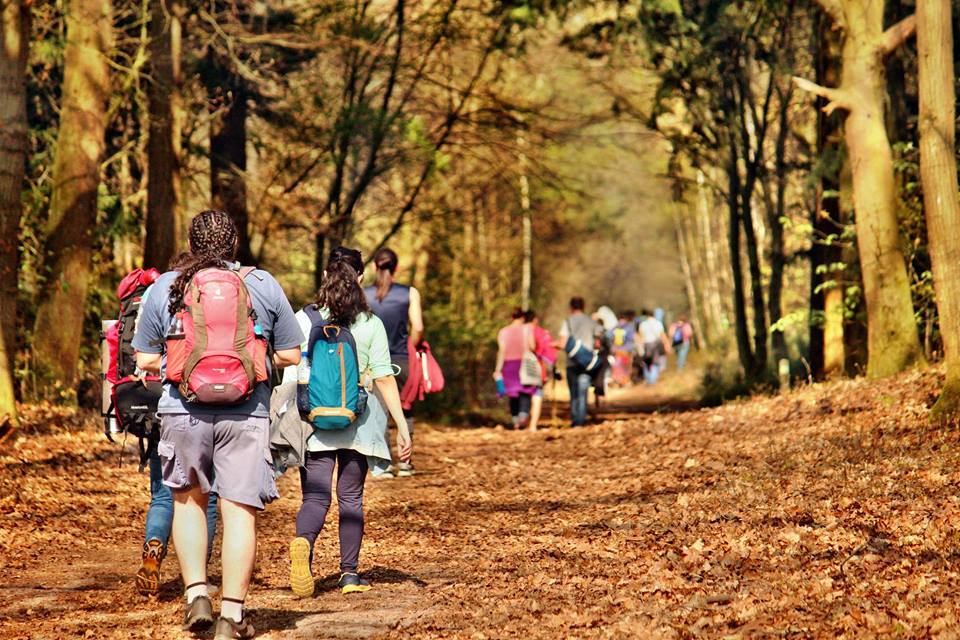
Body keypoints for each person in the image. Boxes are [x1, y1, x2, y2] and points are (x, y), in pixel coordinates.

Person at [133, 210, 304, 639]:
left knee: (188, 502)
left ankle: (197, 597)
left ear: (191, 243)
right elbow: (291, 355)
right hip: (247, 413)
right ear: (234, 243)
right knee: (239, 510)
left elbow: (146, 358)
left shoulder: (166, 286)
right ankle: (232, 614)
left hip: (182, 411)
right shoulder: (261, 284)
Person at [286, 247, 413, 597]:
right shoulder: (370, 323)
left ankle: (303, 545)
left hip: (314, 421)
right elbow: (386, 378)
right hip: (358, 420)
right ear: (359, 279)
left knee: (315, 497)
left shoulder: (305, 318)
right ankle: (350, 574)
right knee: (351, 497)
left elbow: (291, 371)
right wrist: (401, 427)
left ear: (326, 276)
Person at [136, 261, 219, 597]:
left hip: (153, 404)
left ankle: (153, 543)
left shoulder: (154, 296)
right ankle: (196, 575)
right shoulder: (205, 298)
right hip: (190, 401)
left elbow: (142, 357)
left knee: (162, 493)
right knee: (204, 496)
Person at [364, 248, 423, 478]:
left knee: (379, 410)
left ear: (373, 267)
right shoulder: (410, 293)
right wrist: (413, 345)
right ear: (396, 268)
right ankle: (406, 462)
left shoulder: (363, 294)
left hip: (374, 362)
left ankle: (385, 464)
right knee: (405, 408)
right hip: (402, 359)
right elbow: (417, 327)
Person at [494, 307, 538, 429]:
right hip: (524, 364)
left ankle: (515, 421)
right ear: (523, 317)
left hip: (508, 365)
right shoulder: (527, 329)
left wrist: (498, 369)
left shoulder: (503, 331)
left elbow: (501, 351)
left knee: (513, 393)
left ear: (512, 317)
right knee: (525, 391)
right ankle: (523, 416)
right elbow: (532, 346)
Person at [558, 297, 599, 427]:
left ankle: (575, 418)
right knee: (583, 390)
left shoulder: (568, 321)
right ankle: (581, 419)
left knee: (573, 392)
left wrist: (554, 345)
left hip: (572, 362)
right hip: (587, 362)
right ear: (584, 306)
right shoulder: (591, 322)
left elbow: (563, 343)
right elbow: (598, 341)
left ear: (571, 307)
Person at [524, 310, 557, 432]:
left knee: (524, 395)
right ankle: (533, 425)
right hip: (537, 368)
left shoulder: (517, 332)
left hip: (519, 370)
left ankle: (524, 422)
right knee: (537, 395)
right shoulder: (542, 333)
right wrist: (549, 371)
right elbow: (550, 353)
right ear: (535, 320)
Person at [638, 308, 671, 385]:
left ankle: (648, 379)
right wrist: (667, 344)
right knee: (655, 362)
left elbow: (641, 336)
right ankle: (652, 380)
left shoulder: (643, 324)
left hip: (646, 345)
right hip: (655, 345)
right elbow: (662, 335)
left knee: (646, 362)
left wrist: (640, 347)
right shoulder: (658, 323)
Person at [607, 312, 636, 387]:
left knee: (617, 366)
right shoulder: (629, 326)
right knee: (626, 367)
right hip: (626, 351)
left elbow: (608, 336)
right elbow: (632, 338)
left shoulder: (615, 327)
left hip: (616, 351)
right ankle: (625, 382)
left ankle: (617, 381)